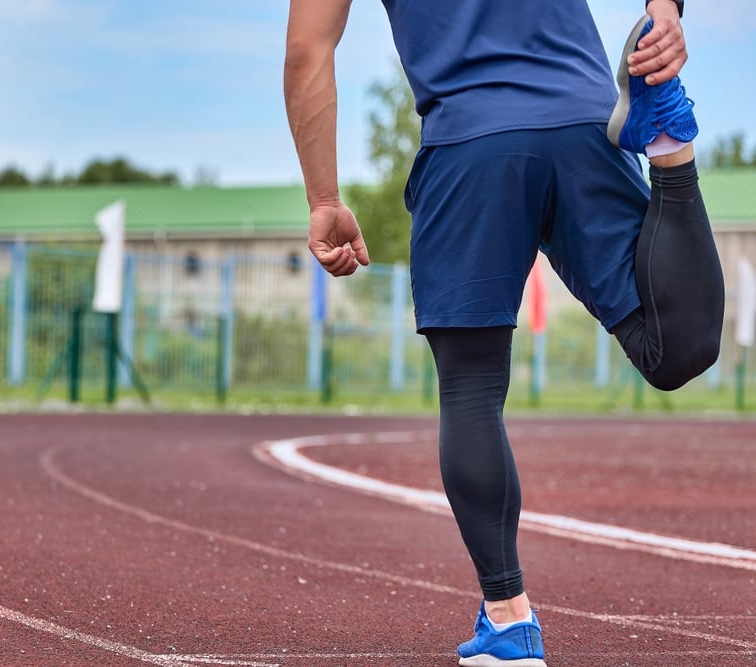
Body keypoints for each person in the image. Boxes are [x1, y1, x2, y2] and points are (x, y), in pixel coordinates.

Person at [283, 0, 724, 664]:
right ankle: (669, 146)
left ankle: (510, 623)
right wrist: (664, 13)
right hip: (584, 125)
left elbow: (306, 53)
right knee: (676, 349)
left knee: (471, 390)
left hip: (470, 143)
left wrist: (324, 199)